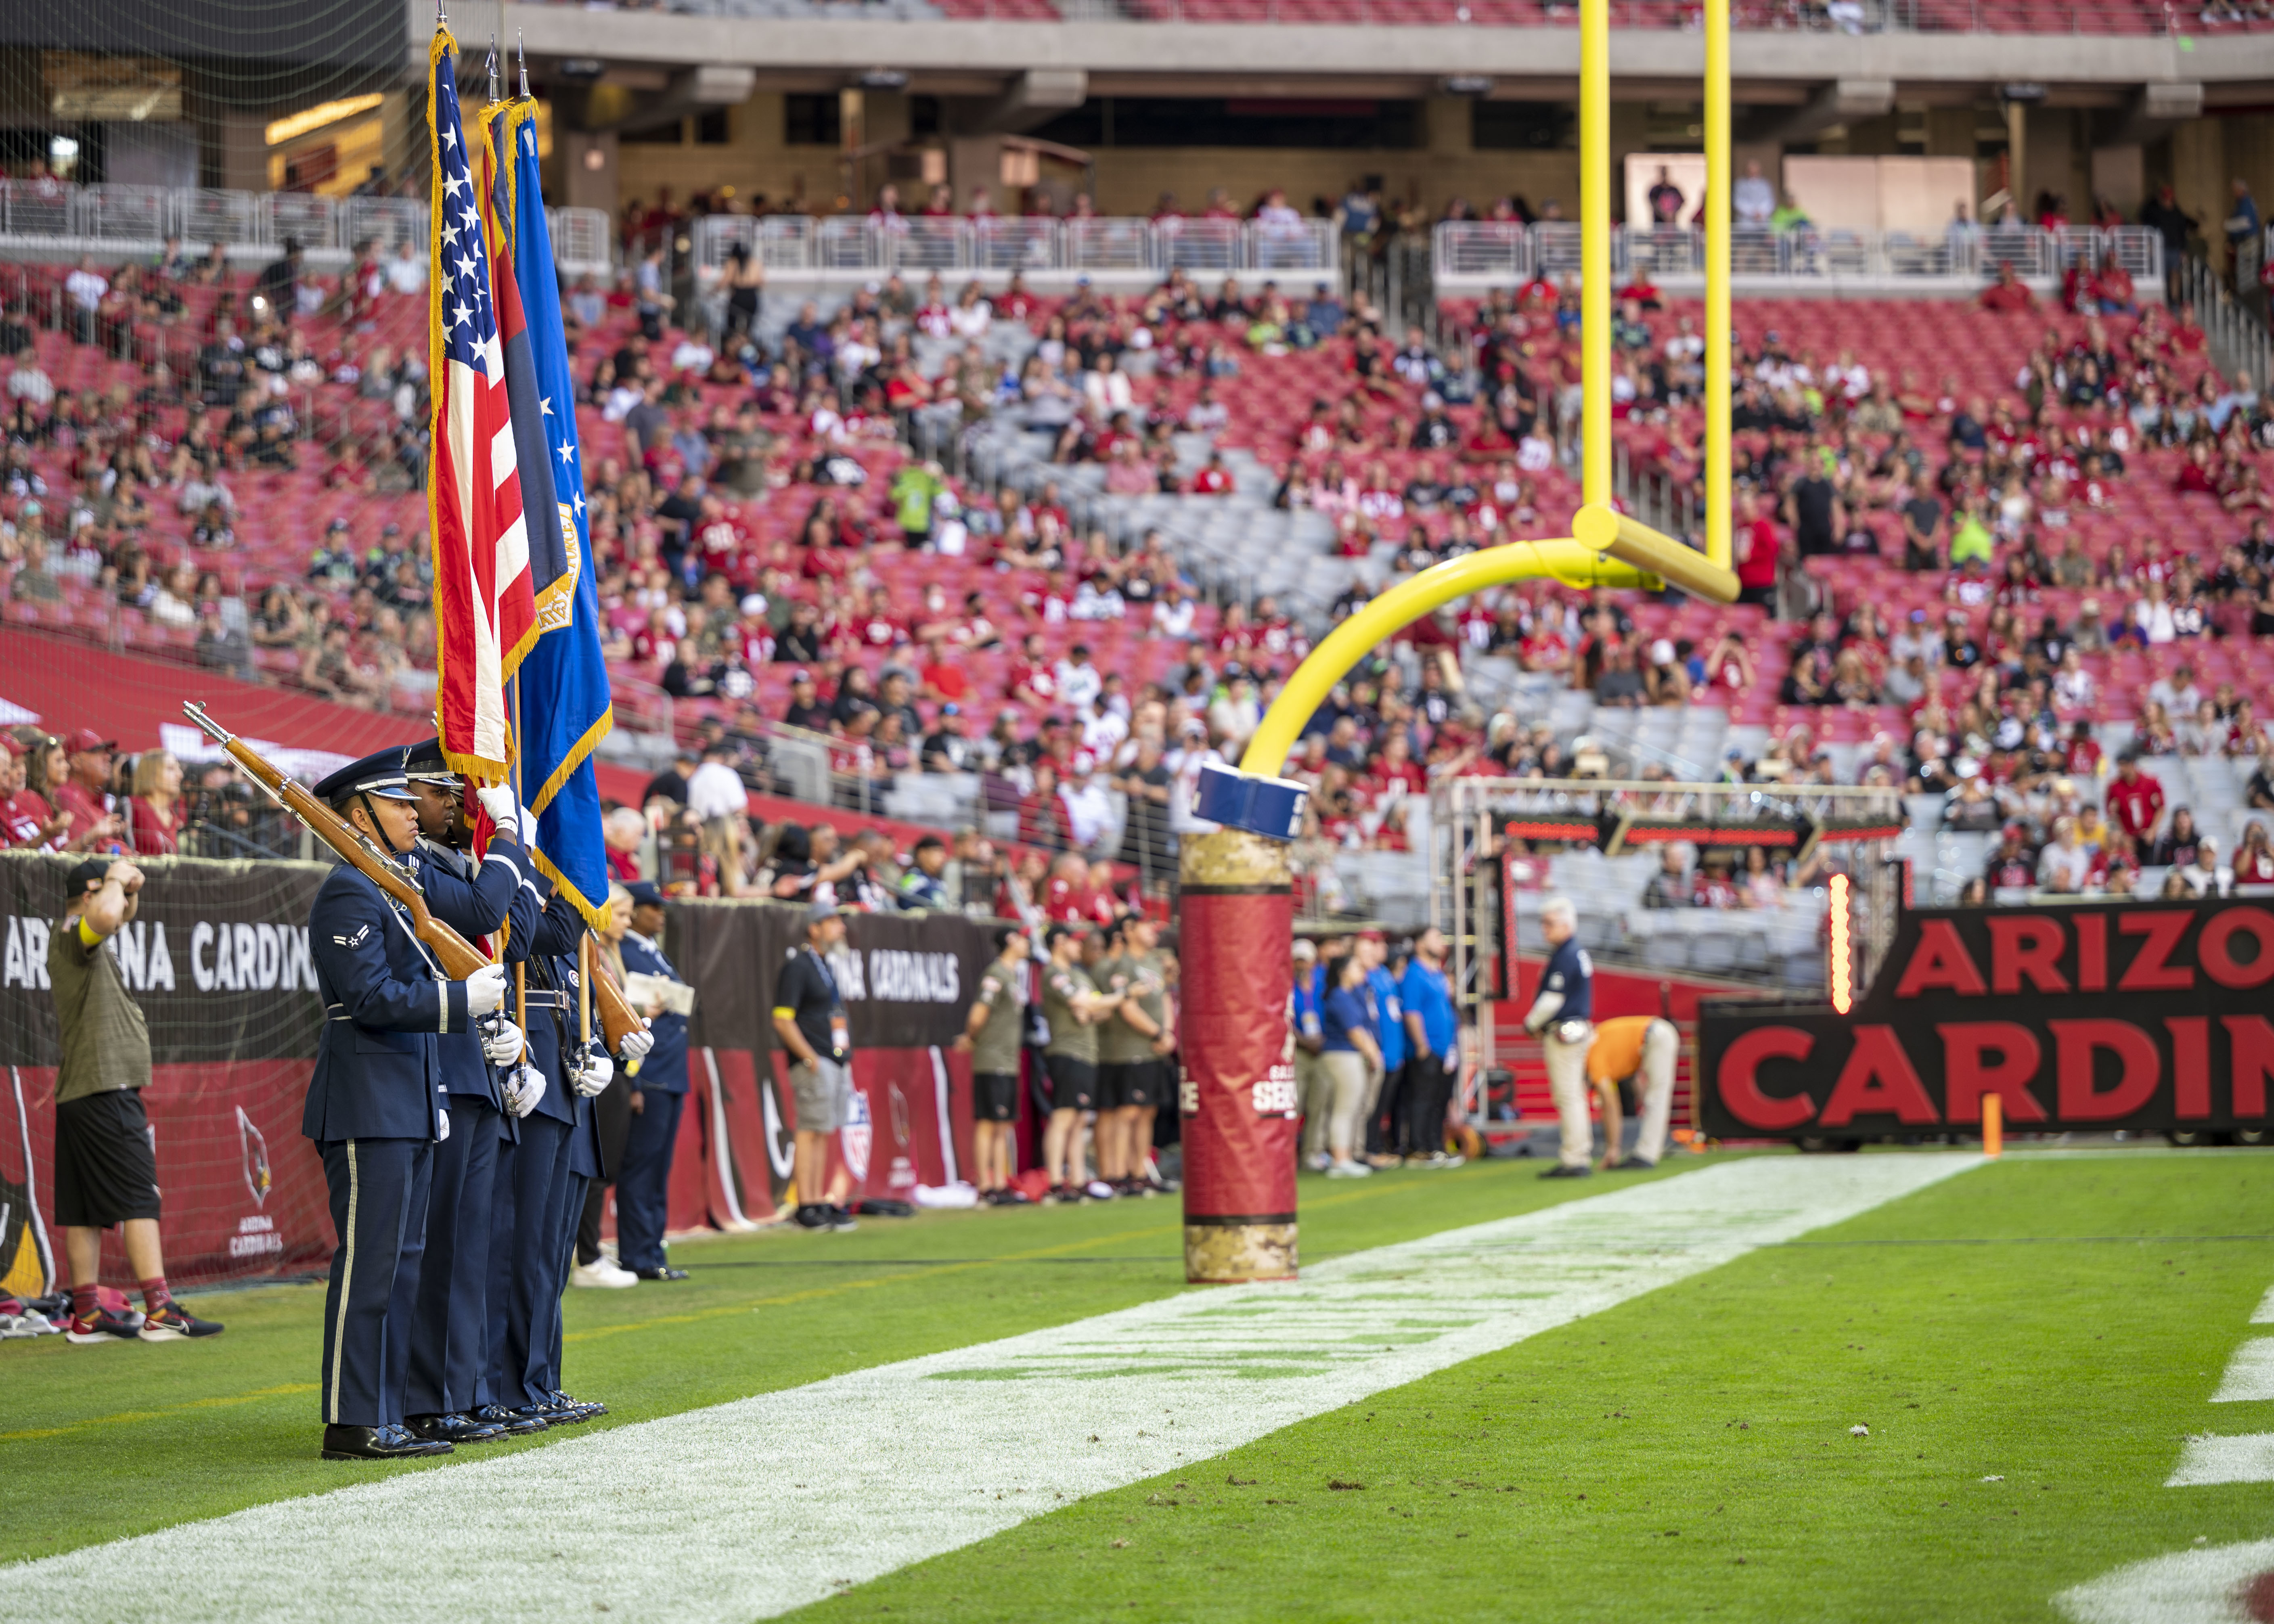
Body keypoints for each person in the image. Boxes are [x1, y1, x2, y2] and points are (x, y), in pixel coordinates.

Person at [304, 748, 509, 1459]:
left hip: (409, 1100)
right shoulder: (348, 892)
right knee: (370, 1264)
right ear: (359, 811)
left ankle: (386, 1411)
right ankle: (351, 1417)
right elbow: (369, 1000)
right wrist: (461, 1000)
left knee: (401, 1265)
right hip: (367, 1102)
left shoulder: (390, 889)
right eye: (397, 804)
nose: (412, 813)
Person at [396, 739, 542, 1445]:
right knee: (444, 1246)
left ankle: (470, 1387)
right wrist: (510, 838)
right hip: (445, 1067)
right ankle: (433, 1393)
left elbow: (520, 937)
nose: (458, 804)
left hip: (480, 1064)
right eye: (442, 794)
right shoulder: (415, 868)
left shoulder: (453, 861)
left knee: (477, 1248)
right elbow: (487, 911)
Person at [48, 856, 224, 1345]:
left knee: (84, 1208)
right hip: (105, 1088)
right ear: (89, 894)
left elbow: (116, 913)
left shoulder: (77, 932)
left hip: (83, 1090)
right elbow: (106, 915)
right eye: (108, 891)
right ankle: (161, 1309)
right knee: (141, 1197)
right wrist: (117, 878)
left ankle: (86, 1314)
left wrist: (128, 886)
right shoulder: (76, 930)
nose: (121, 903)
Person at [614, 881, 691, 1279]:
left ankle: (652, 1249)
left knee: (657, 1170)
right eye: (651, 907)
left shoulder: (648, 950)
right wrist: (636, 1080)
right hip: (651, 1071)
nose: (660, 914)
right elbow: (628, 1019)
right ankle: (638, 1255)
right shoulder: (623, 951)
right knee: (641, 1170)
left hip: (671, 1072)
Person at [572, 884, 643, 1291]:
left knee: (605, 1165)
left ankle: (591, 1250)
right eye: (621, 913)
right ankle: (588, 1256)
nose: (627, 922)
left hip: (616, 1064)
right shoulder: (589, 946)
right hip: (596, 1062)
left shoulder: (608, 950)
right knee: (594, 1166)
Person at [773, 900, 860, 1231]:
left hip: (832, 1059)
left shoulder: (823, 964)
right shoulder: (799, 966)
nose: (841, 928)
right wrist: (809, 1057)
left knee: (823, 1131)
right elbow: (782, 1019)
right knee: (811, 1131)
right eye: (834, 922)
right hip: (816, 1061)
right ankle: (805, 1204)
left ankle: (817, 1199)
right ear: (815, 928)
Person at [1039, 922, 1126, 1201]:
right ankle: (1055, 1180)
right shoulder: (1054, 973)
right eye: (1075, 942)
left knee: (1079, 1119)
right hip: (1067, 1050)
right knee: (1064, 1115)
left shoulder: (1079, 975)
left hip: (1086, 1051)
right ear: (1059, 943)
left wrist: (1092, 1007)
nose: (1080, 947)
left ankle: (1077, 1180)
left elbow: (1097, 1011)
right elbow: (1086, 1005)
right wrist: (1119, 998)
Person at [1097, 915, 1173, 1195]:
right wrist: (1157, 1034)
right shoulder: (1122, 965)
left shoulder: (1153, 962)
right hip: (1130, 1050)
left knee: (1148, 1111)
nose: (1153, 931)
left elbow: (1165, 998)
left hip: (1154, 1049)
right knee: (1127, 1111)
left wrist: (1167, 1032)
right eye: (1145, 926)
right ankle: (1118, 1174)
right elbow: (1127, 1008)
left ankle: (1140, 1172)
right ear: (1128, 931)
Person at [959, 926, 1031, 1205]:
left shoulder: (1011, 975)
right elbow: (978, 1014)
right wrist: (970, 1037)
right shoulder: (996, 974)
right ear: (1011, 941)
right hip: (993, 1059)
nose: (1027, 943)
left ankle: (1000, 1183)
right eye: (1023, 938)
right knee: (990, 1123)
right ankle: (986, 1185)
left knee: (1002, 1124)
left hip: (1006, 1060)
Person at [1523, 897, 1595, 1178]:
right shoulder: (1575, 952)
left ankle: (1574, 1158)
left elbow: (1552, 1001)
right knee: (1575, 1096)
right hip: (1578, 1029)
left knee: (1569, 1097)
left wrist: (1530, 1025)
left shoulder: (1566, 954)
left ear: (1566, 924)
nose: (1545, 929)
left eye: (1550, 924)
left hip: (1566, 1031)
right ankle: (1579, 1153)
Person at [1399, 925, 1462, 1169]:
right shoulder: (1415, 973)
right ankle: (1419, 1149)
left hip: (1446, 1048)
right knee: (1423, 1099)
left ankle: (1436, 1146)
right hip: (1429, 1047)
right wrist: (1422, 1044)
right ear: (1420, 944)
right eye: (1436, 938)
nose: (1442, 943)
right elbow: (1412, 1011)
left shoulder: (1438, 973)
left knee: (1440, 1099)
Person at [1317, 949, 1380, 1179]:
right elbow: (1355, 1032)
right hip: (1342, 1055)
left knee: (1349, 1108)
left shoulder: (1349, 994)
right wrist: (1372, 1054)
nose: (1360, 971)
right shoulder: (1340, 996)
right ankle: (1340, 1159)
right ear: (1343, 972)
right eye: (1355, 967)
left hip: (1347, 1055)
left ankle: (1345, 1157)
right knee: (1344, 1109)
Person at [1584, 1014, 1677, 1171]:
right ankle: (1647, 1152)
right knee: (1654, 1099)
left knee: (1656, 1099)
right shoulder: (1598, 1050)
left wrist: (1613, 1150)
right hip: (1652, 1036)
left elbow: (1610, 1106)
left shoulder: (1593, 1061)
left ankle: (1646, 1156)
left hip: (1655, 1035)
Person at [1290, 939, 1330, 1171]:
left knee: (1320, 1104)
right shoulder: (1285, 984)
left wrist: (1323, 1039)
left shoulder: (1322, 983)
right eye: (1298, 960)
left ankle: (1312, 1153)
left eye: (1305, 960)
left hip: (1322, 1049)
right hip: (1299, 1049)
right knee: (1294, 1104)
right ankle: (1286, 1154)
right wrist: (1304, 1040)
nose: (1302, 965)